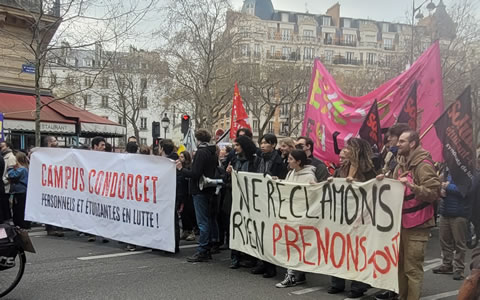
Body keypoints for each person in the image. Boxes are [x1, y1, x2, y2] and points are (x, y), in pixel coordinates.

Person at [378, 130, 440, 300]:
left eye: (402, 141)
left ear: (412, 144)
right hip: (400, 224)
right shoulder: (400, 163)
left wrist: (413, 187)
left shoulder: (423, 164)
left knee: (412, 270)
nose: (397, 144)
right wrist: (384, 180)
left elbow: (434, 192)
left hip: (418, 225)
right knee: (400, 267)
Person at [328, 138, 376, 298]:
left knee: (358, 252)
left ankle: (358, 286)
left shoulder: (369, 169)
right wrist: (332, 181)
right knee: (339, 249)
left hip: (361, 217)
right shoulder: (343, 167)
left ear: (356, 150)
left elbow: (373, 189)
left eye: (349, 147)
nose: (345, 149)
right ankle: (337, 282)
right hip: (342, 215)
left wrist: (357, 183)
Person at [176, 129, 218, 262]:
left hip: (199, 190)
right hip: (209, 188)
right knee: (208, 220)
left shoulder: (201, 152)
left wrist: (181, 170)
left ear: (197, 139)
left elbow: (195, 173)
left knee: (202, 222)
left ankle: (202, 250)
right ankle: (208, 246)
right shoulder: (212, 152)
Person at [276, 149, 316, 288]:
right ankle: (296, 274)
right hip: (290, 214)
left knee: (295, 245)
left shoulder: (309, 176)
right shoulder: (290, 173)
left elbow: (313, 196)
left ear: (299, 161)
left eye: (291, 159)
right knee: (291, 245)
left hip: (301, 216)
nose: (288, 161)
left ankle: (292, 275)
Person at [251, 133, 287, 278]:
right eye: (261, 143)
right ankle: (262, 263)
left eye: (266, 143)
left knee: (269, 234)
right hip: (260, 199)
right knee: (260, 232)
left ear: (273, 144)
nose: (262, 146)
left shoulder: (279, 161)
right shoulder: (258, 159)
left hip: (272, 200)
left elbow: (284, 180)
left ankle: (270, 266)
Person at [225, 135, 260, 269]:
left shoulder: (255, 161)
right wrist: (227, 173)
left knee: (248, 227)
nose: (235, 148)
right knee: (235, 226)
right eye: (234, 146)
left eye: (237, 145)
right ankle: (235, 257)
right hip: (234, 197)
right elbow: (225, 180)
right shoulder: (234, 160)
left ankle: (250, 257)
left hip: (249, 199)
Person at [432, 169, 472, 280]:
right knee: (444, 240)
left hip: (460, 213)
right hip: (445, 211)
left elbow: (465, 191)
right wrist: (441, 190)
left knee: (459, 243)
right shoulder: (447, 172)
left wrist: (447, 187)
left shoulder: (466, 173)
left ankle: (459, 269)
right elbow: (441, 187)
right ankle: (447, 264)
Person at [42, 136, 64, 237]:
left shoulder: (60, 153)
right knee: (49, 207)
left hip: (58, 184)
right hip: (48, 185)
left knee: (59, 207)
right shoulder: (43, 154)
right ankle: (50, 228)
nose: (57, 142)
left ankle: (59, 227)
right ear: (49, 143)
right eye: (55, 141)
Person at [88, 136, 109, 243]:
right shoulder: (86, 157)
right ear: (95, 146)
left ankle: (103, 233)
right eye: (102, 145)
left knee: (102, 211)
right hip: (90, 188)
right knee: (92, 210)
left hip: (102, 188)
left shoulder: (106, 157)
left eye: (104, 145)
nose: (104, 147)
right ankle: (92, 233)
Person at [7, 152, 30, 229]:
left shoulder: (22, 169)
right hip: (20, 191)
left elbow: (12, 175)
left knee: (19, 208)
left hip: (20, 191)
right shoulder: (25, 168)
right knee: (18, 208)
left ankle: (21, 224)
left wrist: (10, 168)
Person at [178, 151, 196, 242]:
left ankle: (191, 230)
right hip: (181, 193)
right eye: (179, 157)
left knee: (188, 212)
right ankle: (185, 230)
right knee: (182, 213)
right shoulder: (178, 168)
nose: (180, 158)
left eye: (182, 157)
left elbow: (189, 176)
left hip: (188, 193)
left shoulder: (188, 167)